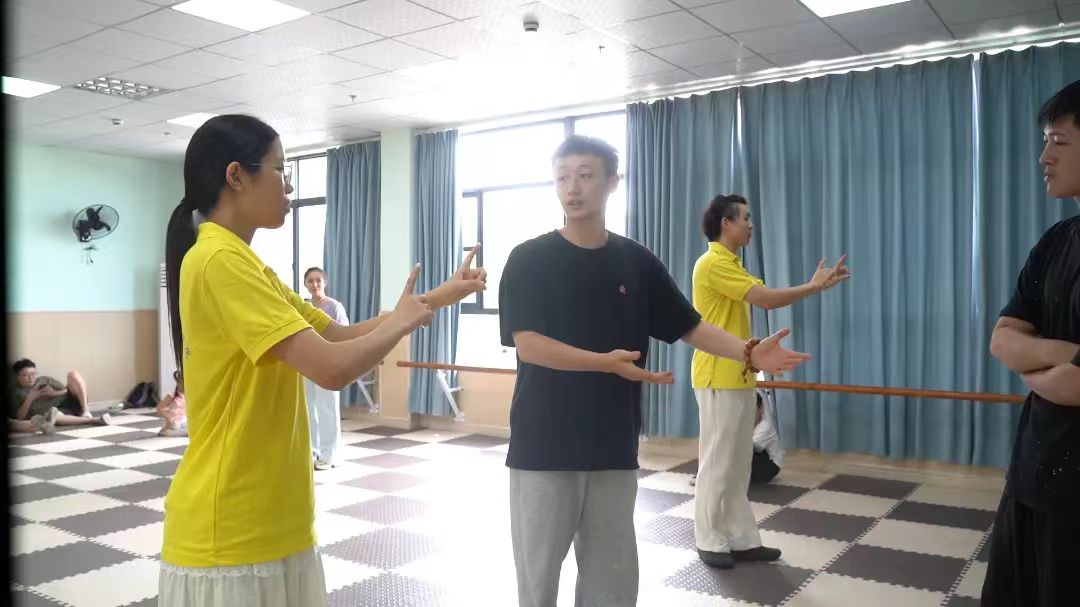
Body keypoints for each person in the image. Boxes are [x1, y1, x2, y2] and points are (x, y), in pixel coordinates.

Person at [159, 114, 485, 607]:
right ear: (236, 176)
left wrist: (436, 298)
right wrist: (400, 323)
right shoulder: (219, 261)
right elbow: (332, 368)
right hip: (230, 530)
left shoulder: (247, 263)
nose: (289, 186)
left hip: (275, 521)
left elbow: (337, 334)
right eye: (280, 170)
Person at [499, 134, 812, 607]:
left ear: (612, 182)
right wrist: (603, 363)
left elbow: (689, 325)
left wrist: (748, 351)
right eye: (562, 177)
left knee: (612, 578)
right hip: (543, 445)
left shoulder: (636, 261)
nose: (573, 187)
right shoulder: (529, 259)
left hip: (613, 443)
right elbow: (530, 345)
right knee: (538, 579)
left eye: (585, 175)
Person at [691, 193, 850, 569]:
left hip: (739, 374)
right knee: (718, 463)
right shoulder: (713, 262)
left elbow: (761, 298)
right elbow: (765, 299)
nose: (751, 225)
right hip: (717, 376)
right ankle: (709, 539)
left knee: (738, 466)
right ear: (726, 223)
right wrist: (813, 287)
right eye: (745, 218)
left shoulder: (732, 263)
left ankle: (741, 539)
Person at [981, 81, 1080, 607]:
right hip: (1031, 475)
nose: (1044, 157)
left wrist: (1040, 361)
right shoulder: (1056, 241)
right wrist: (1064, 355)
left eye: (1059, 142)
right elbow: (1003, 340)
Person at [302, 267, 349, 470]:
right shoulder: (303, 307)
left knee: (327, 408)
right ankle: (312, 451)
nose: (315, 284)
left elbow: (344, 333)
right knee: (308, 408)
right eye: (310, 281)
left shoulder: (334, 306)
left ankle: (330, 454)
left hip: (327, 363)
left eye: (318, 280)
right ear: (305, 284)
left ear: (325, 283)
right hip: (306, 363)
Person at [10, 359, 111, 426]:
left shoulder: (44, 380)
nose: (31, 378)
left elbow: (67, 389)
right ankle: (93, 420)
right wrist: (30, 398)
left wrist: (53, 393)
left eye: (33, 374)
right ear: (17, 377)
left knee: (72, 374)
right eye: (25, 375)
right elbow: (20, 418)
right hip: (58, 414)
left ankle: (85, 410)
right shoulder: (16, 393)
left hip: (72, 401)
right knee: (53, 415)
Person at [750, 390, 782, 485]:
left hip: (772, 464)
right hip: (759, 456)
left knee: (744, 449)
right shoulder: (748, 424)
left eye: (753, 409)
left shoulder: (765, 426)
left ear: (761, 409)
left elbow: (752, 447)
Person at [156, 370, 187, 438]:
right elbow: (159, 408)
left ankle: (171, 432)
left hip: (183, 420)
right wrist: (168, 418)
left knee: (193, 427)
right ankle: (166, 432)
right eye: (181, 383)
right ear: (178, 383)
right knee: (187, 432)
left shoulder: (186, 395)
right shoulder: (172, 395)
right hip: (174, 422)